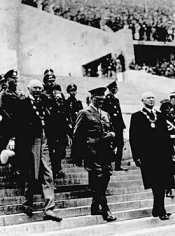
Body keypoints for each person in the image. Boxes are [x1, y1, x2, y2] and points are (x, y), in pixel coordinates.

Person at [15, 79, 62, 222]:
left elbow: (51, 122)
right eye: (35, 88)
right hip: (29, 142)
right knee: (31, 174)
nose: (37, 90)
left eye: (40, 88)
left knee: (48, 173)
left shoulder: (44, 103)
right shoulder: (22, 104)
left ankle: (49, 209)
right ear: (28, 89)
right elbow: (18, 127)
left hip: (45, 141)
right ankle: (27, 203)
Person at [71, 87, 116, 222]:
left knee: (106, 175)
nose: (101, 102)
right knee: (98, 176)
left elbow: (112, 129)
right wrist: (78, 154)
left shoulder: (106, 114)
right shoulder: (84, 113)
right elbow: (76, 134)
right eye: (98, 99)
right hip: (92, 151)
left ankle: (95, 205)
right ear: (92, 99)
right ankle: (105, 209)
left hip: (105, 151)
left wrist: (112, 134)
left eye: (103, 100)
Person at [129, 91, 175, 220]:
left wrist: (171, 152)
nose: (150, 100)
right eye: (148, 98)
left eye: (152, 98)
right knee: (156, 182)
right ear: (142, 100)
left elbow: (166, 136)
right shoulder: (137, 116)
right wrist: (136, 156)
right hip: (147, 156)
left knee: (162, 182)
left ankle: (159, 209)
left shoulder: (160, 116)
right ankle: (159, 209)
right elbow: (134, 138)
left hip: (162, 155)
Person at [42, 72, 70, 178]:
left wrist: (67, 121)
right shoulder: (43, 94)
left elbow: (64, 107)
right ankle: (55, 168)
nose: (52, 83)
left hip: (61, 124)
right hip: (51, 125)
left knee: (61, 148)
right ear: (45, 82)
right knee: (53, 148)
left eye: (53, 80)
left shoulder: (59, 92)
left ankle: (58, 166)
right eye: (49, 81)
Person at [103, 80, 127, 171]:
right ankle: (108, 165)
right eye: (115, 88)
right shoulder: (107, 100)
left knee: (120, 144)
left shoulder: (116, 100)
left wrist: (122, 125)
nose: (117, 89)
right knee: (110, 145)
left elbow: (119, 113)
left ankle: (118, 165)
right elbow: (106, 114)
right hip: (111, 127)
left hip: (118, 126)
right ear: (111, 89)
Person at [160, 99, 175, 198]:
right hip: (165, 145)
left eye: (169, 107)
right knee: (167, 169)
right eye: (166, 107)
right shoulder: (160, 118)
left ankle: (171, 187)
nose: (168, 109)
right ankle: (168, 188)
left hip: (173, 144)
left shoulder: (172, 118)